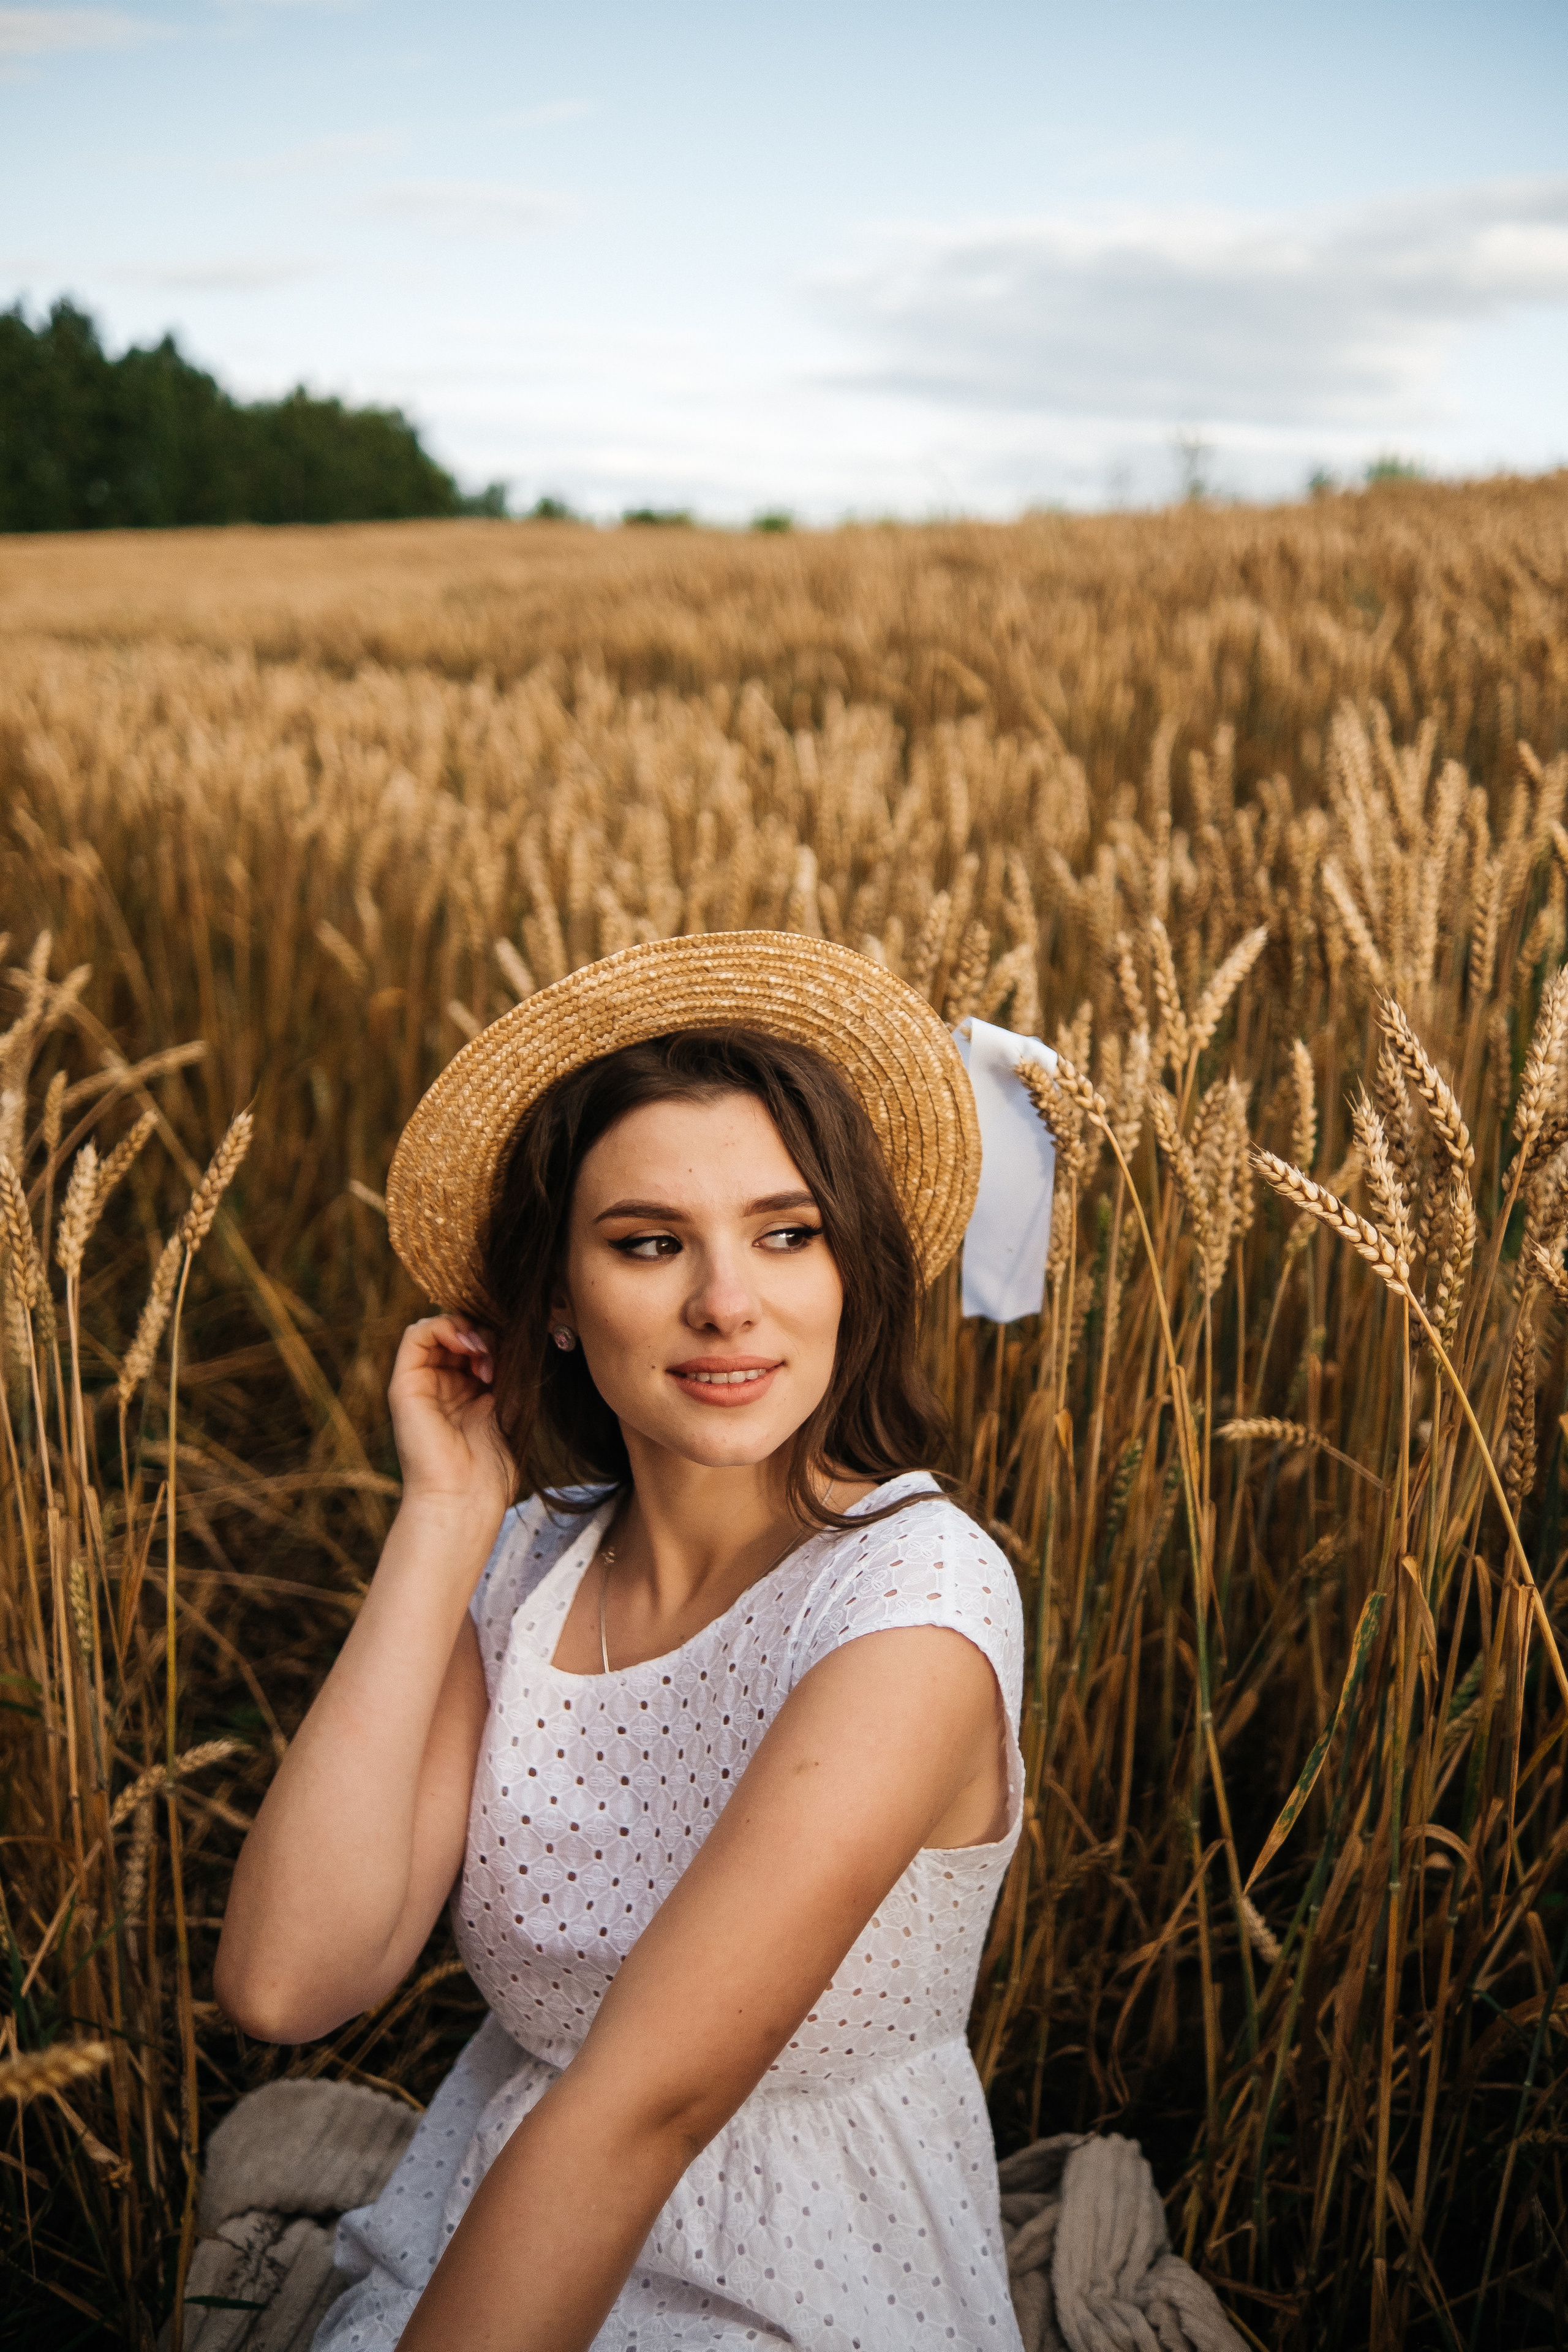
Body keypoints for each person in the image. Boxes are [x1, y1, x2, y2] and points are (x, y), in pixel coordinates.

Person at [215, 931, 1027, 2352]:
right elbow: (291, 1981)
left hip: (802, 2285)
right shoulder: (530, 1562)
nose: (727, 1300)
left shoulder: (913, 1600)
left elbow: (642, 2107)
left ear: (852, 1270)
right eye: (649, 1244)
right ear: (555, 1304)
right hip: (484, 2225)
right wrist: (443, 1517)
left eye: (787, 1234)